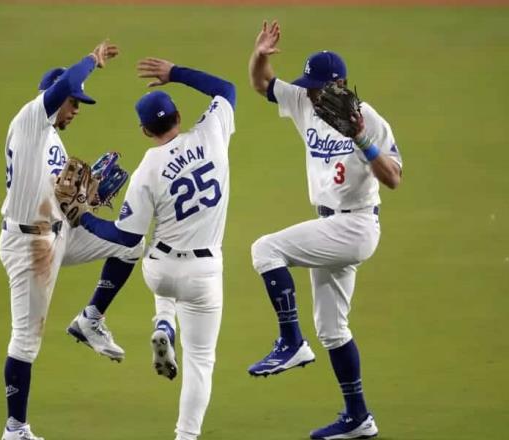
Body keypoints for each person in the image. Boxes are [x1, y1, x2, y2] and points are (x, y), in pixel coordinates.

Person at [246, 21, 403, 440]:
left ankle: (290, 342)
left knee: (265, 250)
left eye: (319, 87)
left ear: (339, 86)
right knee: (334, 330)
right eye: (309, 86)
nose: (312, 93)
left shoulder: (370, 119)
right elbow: (263, 84)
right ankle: (358, 417)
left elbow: (393, 179)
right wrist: (260, 54)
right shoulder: (304, 102)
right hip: (329, 223)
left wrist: (361, 138)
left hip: (356, 224)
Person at [74, 57, 236, 440]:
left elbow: (125, 238)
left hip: (160, 272)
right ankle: (185, 436)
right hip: (204, 276)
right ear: (179, 115)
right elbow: (226, 89)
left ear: (145, 131)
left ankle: (164, 319)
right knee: (200, 362)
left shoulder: (148, 168)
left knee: (150, 246)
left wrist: (82, 215)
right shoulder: (211, 132)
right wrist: (176, 72)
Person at [0, 40, 143, 440]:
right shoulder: (29, 121)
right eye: (73, 102)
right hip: (29, 247)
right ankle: (15, 429)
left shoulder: (54, 139)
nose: (76, 108)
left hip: (60, 233)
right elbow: (63, 89)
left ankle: (91, 320)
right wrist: (92, 61)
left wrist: (89, 195)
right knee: (26, 342)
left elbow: (64, 197)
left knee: (131, 243)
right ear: (53, 98)